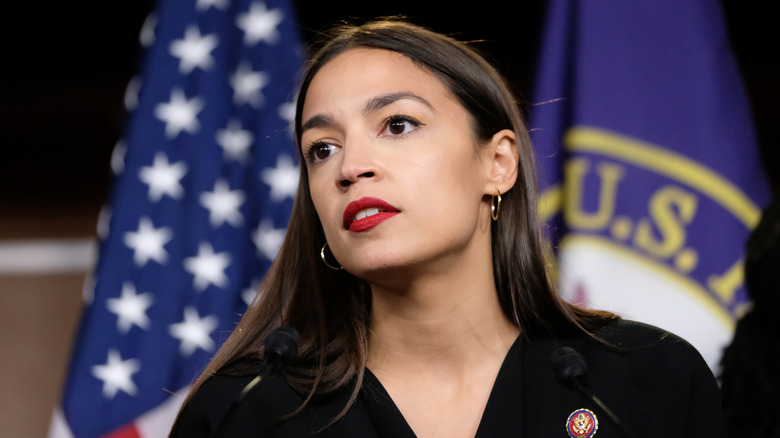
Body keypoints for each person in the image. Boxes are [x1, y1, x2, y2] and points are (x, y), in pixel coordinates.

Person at [170, 18, 724, 438]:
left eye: (398, 124)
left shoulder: (647, 380)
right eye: (322, 149)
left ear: (498, 163)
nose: (351, 166)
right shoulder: (244, 411)